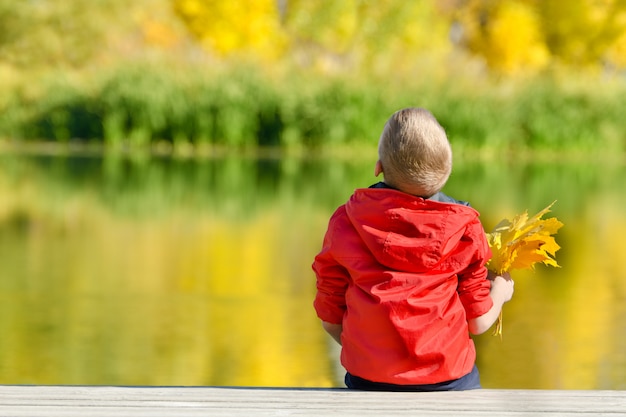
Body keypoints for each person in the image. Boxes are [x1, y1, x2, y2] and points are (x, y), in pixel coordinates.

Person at [312, 107, 514, 391]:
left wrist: (374, 353)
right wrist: (501, 292)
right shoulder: (465, 228)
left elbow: (330, 317)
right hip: (448, 379)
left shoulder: (345, 221)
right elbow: (478, 322)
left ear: (378, 167)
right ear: (446, 173)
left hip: (368, 380)